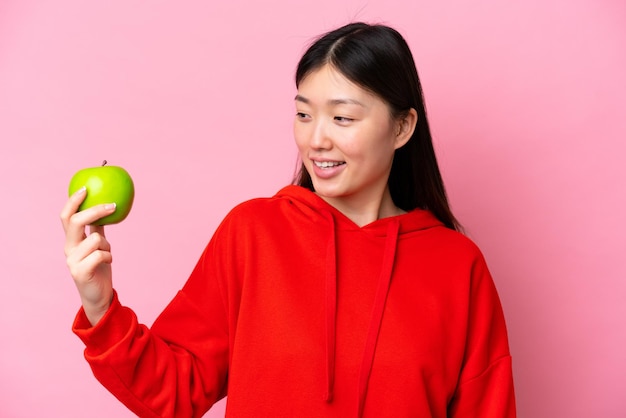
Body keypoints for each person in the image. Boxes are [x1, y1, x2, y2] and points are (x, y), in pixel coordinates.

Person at [61, 22, 516, 417]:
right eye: (303, 114)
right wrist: (101, 306)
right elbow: (173, 393)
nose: (316, 139)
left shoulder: (458, 267)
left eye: (342, 117)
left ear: (402, 127)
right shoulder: (252, 234)